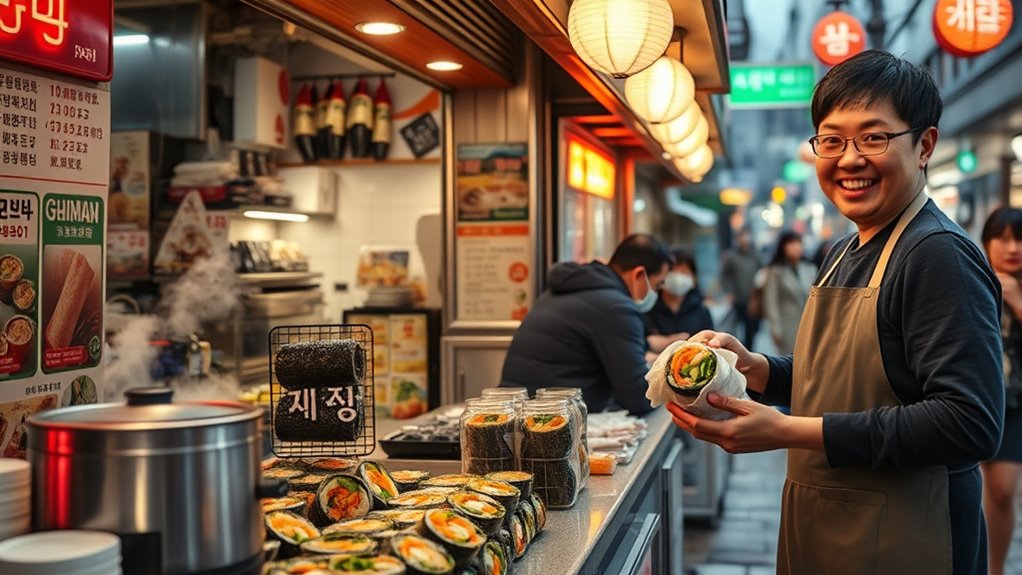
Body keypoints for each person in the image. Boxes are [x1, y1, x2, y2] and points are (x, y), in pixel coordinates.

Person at [668, 50, 1003, 575]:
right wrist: (757, 369)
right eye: (832, 139)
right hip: (830, 525)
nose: (849, 158)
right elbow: (845, 380)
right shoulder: (844, 250)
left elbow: (969, 422)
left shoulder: (937, 254)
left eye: (874, 137)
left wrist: (786, 431)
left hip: (910, 537)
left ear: (925, 146)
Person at [500, 233, 672, 414]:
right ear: (639, 275)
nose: (656, 293)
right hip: (551, 422)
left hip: (515, 412)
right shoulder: (616, 307)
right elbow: (641, 397)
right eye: (657, 285)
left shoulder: (573, 287)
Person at [979, 206, 1022, 575]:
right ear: (987, 242)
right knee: (966, 486)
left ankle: (995, 568)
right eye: (1002, 238)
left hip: (1015, 403)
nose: (1012, 247)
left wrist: (1017, 302)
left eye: (1019, 239)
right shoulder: (973, 277)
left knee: (1003, 489)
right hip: (971, 395)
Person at [644, 247, 714, 362]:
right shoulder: (647, 307)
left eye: (684, 272)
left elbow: (711, 349)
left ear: (694, 278)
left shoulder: (701, 311)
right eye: (673, 271)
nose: (678, 277)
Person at [761, 231, 817, 354]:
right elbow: (771, 302)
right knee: (789, 364)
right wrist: (775, 329)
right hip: (787, 327)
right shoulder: (775, 272)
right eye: (791, 243)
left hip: (809, 327)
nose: (796, 247)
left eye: (798, 243)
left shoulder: (809, 269)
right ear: (783, 247)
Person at [720, 229, 761, 348]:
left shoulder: (755, 255)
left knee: (752, 328)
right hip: (738, 298)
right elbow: (725, 276)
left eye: (746, 236)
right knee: (735, 326)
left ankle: (750, 351)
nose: (744, 239)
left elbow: (762, 271)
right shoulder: (732, 257)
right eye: (741, 237)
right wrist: (729, 292)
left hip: (753, 298)